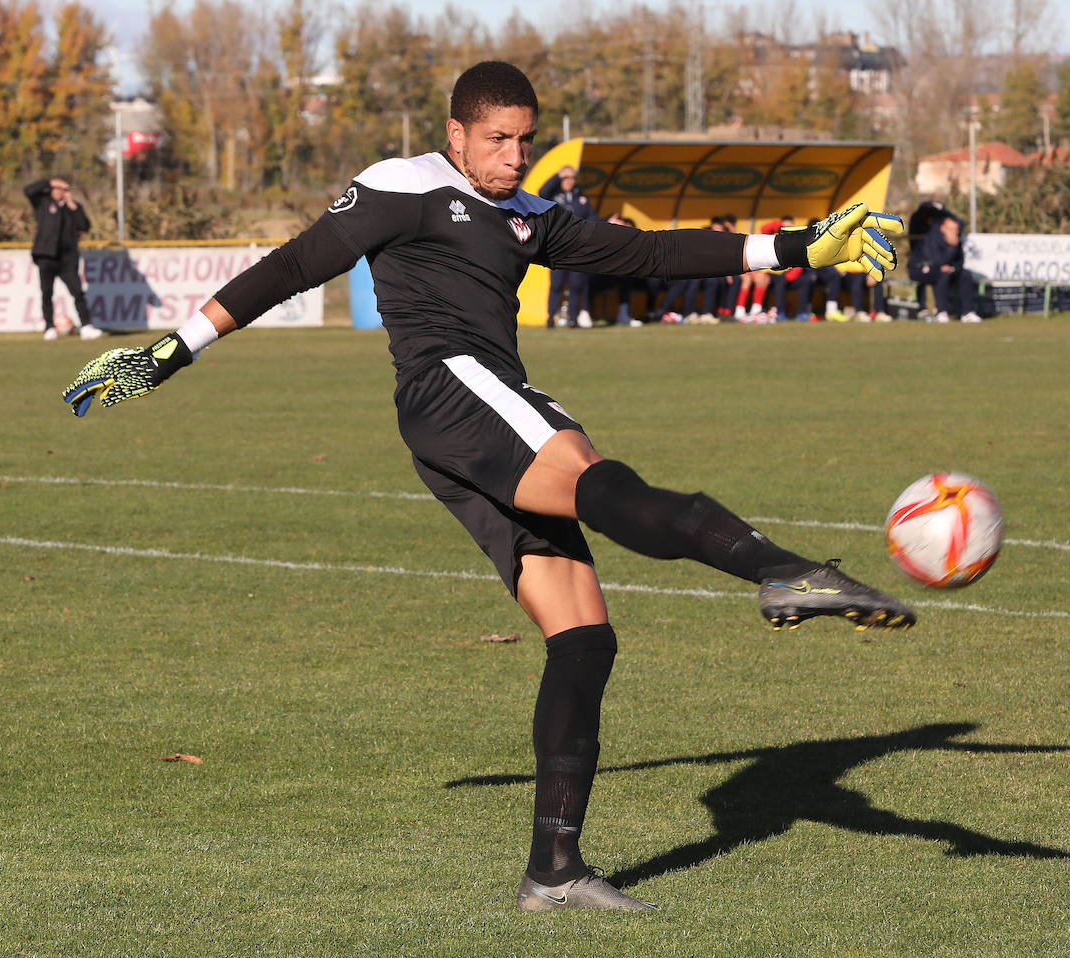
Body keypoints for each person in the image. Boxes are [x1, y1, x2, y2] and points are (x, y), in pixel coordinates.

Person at [62, 61, 911, 914]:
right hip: (454, 388)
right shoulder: (406, 186)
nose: (514, 156)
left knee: (583, 633)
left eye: (526, 140)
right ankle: (782, 569)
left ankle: (553, 871)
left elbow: (649, 253)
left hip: (464, 420)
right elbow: (292, 266)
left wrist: (800, 245)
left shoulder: (528, 215)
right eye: (498, 140)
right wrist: (169, 352)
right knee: (600, 481)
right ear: (457, 134)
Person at [24, 176, 103, 341]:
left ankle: (86, 326)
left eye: (65, 189)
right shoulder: (43, 202)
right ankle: (49, 327)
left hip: (67, 259)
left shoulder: (73, 208)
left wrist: (73, 207)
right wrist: (50, 182)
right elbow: (28, 191)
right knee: (47, 293)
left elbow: (84, 226)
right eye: (58, 188)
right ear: (52, 188)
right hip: (47, 256)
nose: (61, 192)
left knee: (77, 292)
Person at [539, 165, 596, 328]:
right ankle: (551, 318)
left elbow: (592, 218)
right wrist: (557, 175)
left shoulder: (581, 197)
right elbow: (542, 191)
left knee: (576, 285)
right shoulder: (553, 195)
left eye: (572, 178)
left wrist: (610, 224)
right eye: (566, 177)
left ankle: (573, 318)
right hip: (557, 248)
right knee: (556, 285)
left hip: (576, 248)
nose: (570, 181)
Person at [910, 210, 980, 323]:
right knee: (942, 275)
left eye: (956, 229)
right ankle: (942, 312)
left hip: (945, 271)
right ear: (943, 228)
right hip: (921, 270)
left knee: (965, 274)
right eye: (951, 229)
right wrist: (951, 248)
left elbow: (959, 262)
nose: (955, 231)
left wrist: (953, 268)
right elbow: (937, 261)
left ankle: (968, 312)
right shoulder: (931, 239)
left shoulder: (957, 240)